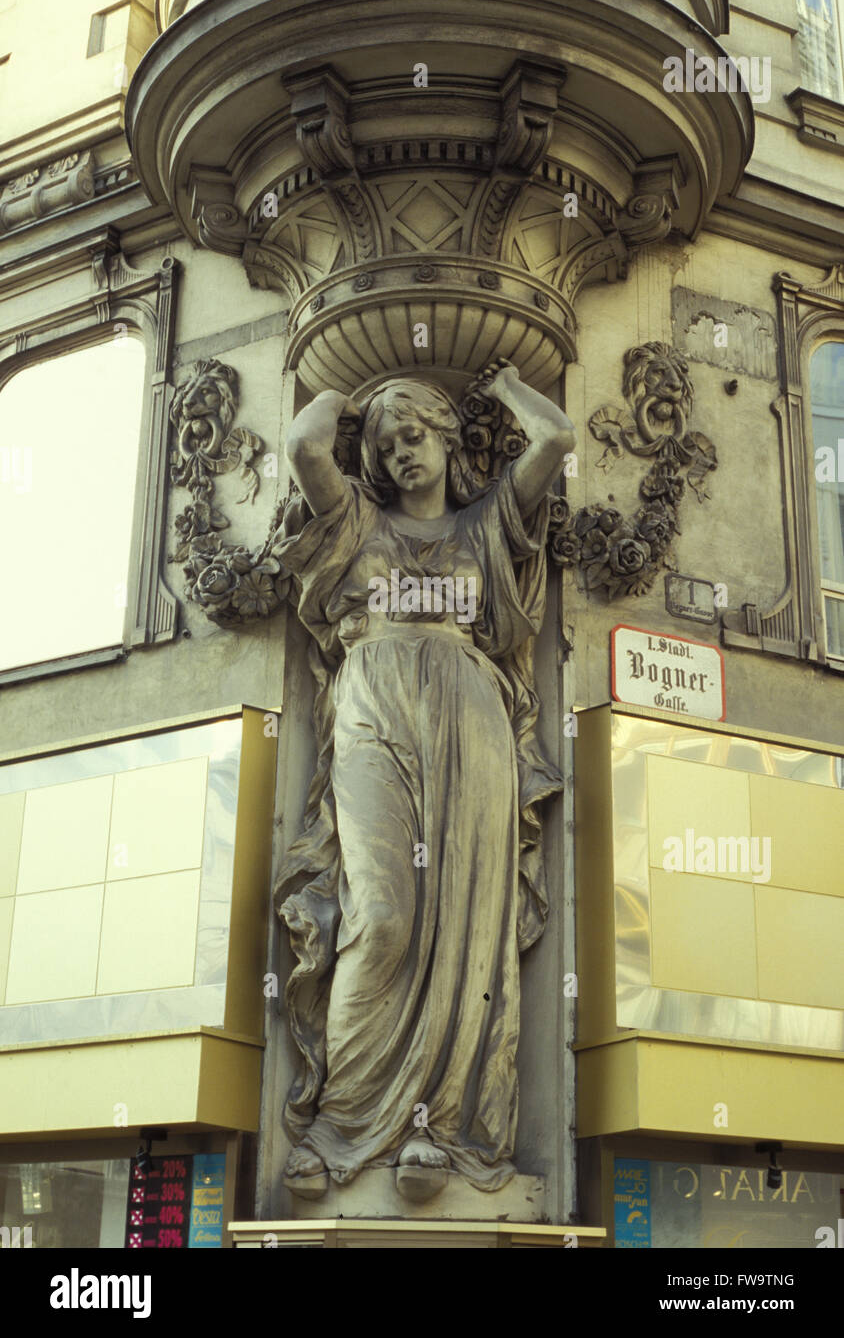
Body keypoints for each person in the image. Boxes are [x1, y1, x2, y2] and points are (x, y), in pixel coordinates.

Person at [273, 357, 574, 1196]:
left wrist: (506, 382)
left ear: (446, 439)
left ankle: (437, 1127)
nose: (402, 452)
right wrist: (344, 389)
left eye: (415, 434)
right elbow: (303, 444)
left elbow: (555, 434)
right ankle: (340, 1124)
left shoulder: (487, 525)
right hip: (375, 707)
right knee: (382, 913)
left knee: (467, 927)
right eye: (385, 442)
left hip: (470, 720)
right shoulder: (356, 523)